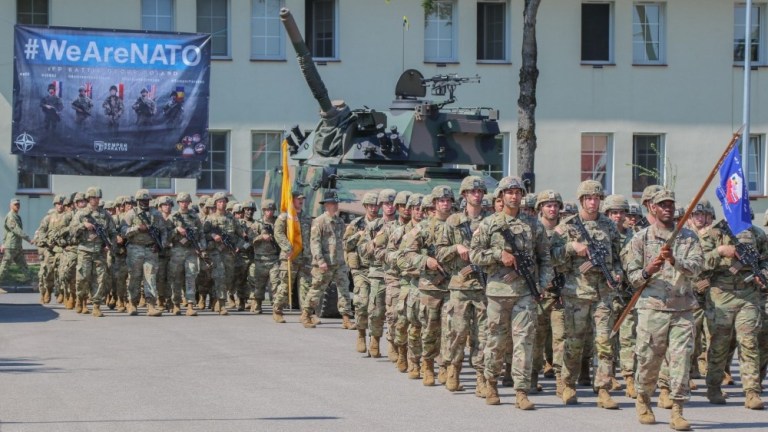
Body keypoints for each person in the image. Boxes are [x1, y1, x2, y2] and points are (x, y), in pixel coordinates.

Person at [470, 176, 552, 409]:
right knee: (495, 341)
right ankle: (492, 384)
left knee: (524, 342)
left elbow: (544, 258)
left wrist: (542, 283)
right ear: (501, 196)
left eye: (518, 192)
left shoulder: (533, 224)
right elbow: (475, 255)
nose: (514, 196)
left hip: (526, 291)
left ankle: (521, 391)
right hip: (497, 292)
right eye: (509, 192)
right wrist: (499, 255)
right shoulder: (488, 224)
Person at [625, 189, 703, 430]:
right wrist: (649, 270)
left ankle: (678, 409)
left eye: (670, 204)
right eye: (662, 204)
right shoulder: (641, 238)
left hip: (682, 309)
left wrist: (674, 261)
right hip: (652, 309)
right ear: (653, 208)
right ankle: (644, 399)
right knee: (649, 359)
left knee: (681, 361)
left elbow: (698, 268)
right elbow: (633, 277)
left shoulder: (689, 238)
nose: (667, 208)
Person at [557, 180, 623, 409]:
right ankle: (567, 384)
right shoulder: (568, 226)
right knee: (574, 342)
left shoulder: (609, 226)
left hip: (603, 293)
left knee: (604, 342)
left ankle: (603, 388)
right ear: (581, 200)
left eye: (596, 198)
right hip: (577, 293)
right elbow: (551, 257)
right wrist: (570, 248)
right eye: (589, 198)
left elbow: (619, 257)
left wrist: (616, 274)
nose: (593, 202)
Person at [700, 202, 767, 410]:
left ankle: (752, 392)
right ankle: (713, 386)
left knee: (749, 342)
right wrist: (720, 252)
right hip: (721, 297)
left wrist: (762, 275)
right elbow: (698, 264)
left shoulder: (757, 235)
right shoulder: (713, 235)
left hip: (749, 297)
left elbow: (765, 261)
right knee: (719, 345)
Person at [435, 176, 491, 395]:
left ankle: (481, 378)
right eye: (472, 192)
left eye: (479, 192)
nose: (477, 195)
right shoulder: (453, 221)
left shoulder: (491, 221)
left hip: (484, 287)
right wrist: (456, 247)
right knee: (457, 333)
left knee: (483, 335)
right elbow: (439, 252)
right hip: (459, 286)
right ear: (465, 195)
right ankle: (453, 371)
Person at [531, 189, 567, 396]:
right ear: (540, 208)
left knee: (561, 339)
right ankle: (533, 376)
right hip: (538, 293)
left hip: (560, 293)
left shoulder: (567, 231)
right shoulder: (534, 230)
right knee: (536, 338)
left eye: (555, 205)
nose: (552, 209)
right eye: (548, 205)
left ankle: (561, 380)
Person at [303, 190, 354, 329]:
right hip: (324, 263)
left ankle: (346, 319)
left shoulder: (340, 221)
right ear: (326, 205)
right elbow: (315, 242)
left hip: (339, 263)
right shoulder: (319, 221)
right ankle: (306, 315)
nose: (335, 205)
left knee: (344, 290)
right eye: (332, 203)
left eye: (336, 203)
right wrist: (320, 260)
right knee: (317, 290)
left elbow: (343, 241)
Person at [121, 189, 168, 317]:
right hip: (135, 248)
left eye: (147, 200)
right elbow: (123, 232)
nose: (145, 203)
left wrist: (160, 245)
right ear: (137, 201)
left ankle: (151, 305)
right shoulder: (131, 214)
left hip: (151, 249)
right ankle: (132, 303)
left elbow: (164, 231)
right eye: (142, 200)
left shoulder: (156, 214)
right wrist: (137, 229)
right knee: (134, 277)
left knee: (150, 277)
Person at [73, 187, 118, 317]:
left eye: (98, 198)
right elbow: (72, 231)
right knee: (83, 278)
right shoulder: (80, 214)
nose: (96, 200)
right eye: (93, 198)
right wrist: (84, 225)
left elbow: (113, 232)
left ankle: (96, 305)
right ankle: (81, 300)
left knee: (99, 279)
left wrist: (110, 244)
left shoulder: (105, 215)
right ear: (88, 199)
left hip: (99, 251)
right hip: (84, 250)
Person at [344, 192, 380, 352]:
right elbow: (346, 245)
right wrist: (358, 235)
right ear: (365, 206)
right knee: (361, 303)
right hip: (361, 271)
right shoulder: (356, 224)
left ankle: (375, 340)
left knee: (377, 308)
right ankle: (361, 334)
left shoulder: (383, 224)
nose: (373, 208)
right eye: (370, 205)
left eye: (376, 205)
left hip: (378, 270)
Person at [273, 190, 313, 323]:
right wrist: (287, 247)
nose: (301, 201)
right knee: (285, 285)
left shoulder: (307, 217)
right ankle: (277, 310)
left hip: (305, 256)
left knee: (306, 286)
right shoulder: (285, 217)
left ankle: (306, 314)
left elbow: (310, 237)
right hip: (290, 255)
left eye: (302, 199)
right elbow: (278, 233)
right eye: (298, 198)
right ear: (292, 200)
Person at [169, 192, 206, 316]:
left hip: (191, 251)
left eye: (186, 202)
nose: (184, 204)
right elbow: (165, 235)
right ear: (178, 203)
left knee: (191, 277)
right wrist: (176, 230)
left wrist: (201, 247)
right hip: (177, 251)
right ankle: (176, 304)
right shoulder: (173, 216)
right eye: (181, 202)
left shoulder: (194, 217)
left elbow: (201, 234)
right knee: (176, 278)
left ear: (189, 203)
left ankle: (190, 304)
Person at [247, 199, 279, 314]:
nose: (269, 212)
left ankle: (277, 307)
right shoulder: (257, 224)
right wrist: (261, 237)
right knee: (259, 285)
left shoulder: (278, 223)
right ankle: (257, 304)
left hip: (274, 259)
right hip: (260, 259)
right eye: (267, 210)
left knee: (276, 284)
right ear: (263, 211)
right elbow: (250, 241)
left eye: (271, 210)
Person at [0, 198, 34, 284]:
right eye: (15, 204)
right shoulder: (11, 216)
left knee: (23, 265)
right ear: (10, 206)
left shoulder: (16, 216)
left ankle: (31, 283)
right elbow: (17, 230)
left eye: (18, 204)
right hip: (11, 246)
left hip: (17, 246)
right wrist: (28, 239)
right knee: (5, 266)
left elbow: (6, 232)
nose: (17, 206)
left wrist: (3, 243)